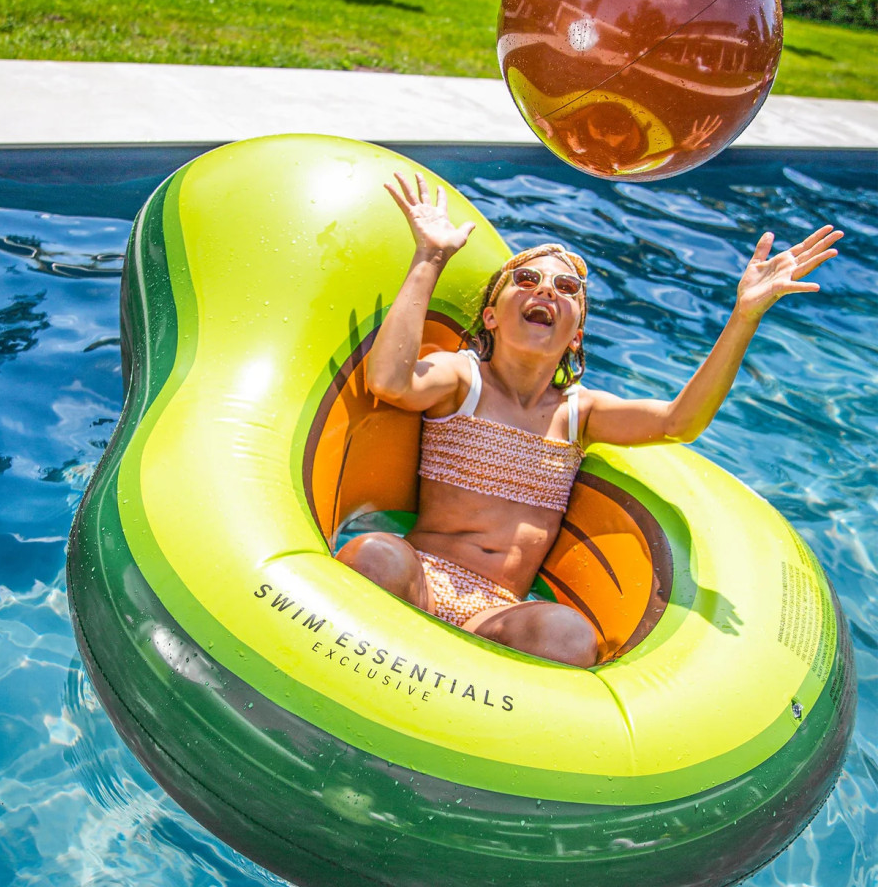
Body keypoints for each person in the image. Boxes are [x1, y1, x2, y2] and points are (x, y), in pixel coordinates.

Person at [337, 171, 842, 668]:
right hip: (421, 577)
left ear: (576, 334)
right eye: (527, 280)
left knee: (568, 634)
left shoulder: (579, 414)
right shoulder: (462, 379)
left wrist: (745, 315)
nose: (546, 291)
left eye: (566, 287)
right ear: (491, 316)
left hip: (496, 613)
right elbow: (390, 382)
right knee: (376, 554)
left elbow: (679, 422)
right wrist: (430, 256)